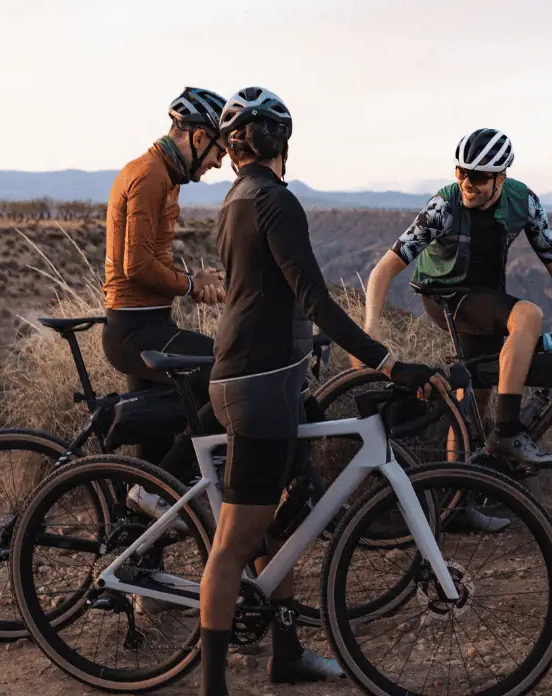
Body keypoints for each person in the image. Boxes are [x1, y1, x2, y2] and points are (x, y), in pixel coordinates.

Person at [196, 87, 448, 695]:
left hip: (264, 381)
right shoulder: (276, 202)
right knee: (233, 545)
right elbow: (315, 300)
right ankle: (212, 689)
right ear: (282, 143)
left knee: (277, 525)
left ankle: (286, 652)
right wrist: (389, 363)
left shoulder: (235, 200)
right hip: (258, 387)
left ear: (232, 152)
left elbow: (267, 297)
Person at [362, 128, 552, 468]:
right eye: (461, 171)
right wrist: (371, 328)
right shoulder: (444, 205)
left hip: (486, 297)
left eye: (477, 176)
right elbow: (384, 269)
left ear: (501, 178)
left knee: (475, 396)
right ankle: (507, 432)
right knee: (528, 315)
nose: (466, 182)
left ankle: (457, 499)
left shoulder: (524, 201)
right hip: (446, 296)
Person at [100, 86, 228, 524]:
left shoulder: (165, 175)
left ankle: (137, 573)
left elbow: (151, 257)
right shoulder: (151, 174)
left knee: (149, 458)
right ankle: (165, 487)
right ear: (196, 138)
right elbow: (136, 267)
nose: (218, 163)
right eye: (218, 151)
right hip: (134, 331)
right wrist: (192, 285)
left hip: (148, 325)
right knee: (224, 371)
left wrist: (199, 281)